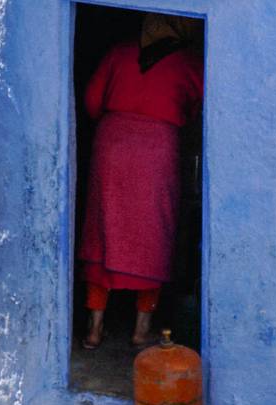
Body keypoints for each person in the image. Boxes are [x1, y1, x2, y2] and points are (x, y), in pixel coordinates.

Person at [78, 13, 204, 348]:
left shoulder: (119, 53)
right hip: (158, 151)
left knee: (103, 234)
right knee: (152, 234)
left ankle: (94, 329)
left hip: (112, 145)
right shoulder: (188, 63)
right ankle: (141, 329)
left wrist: (118, 123)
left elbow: (92, 99)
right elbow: (201, 107)